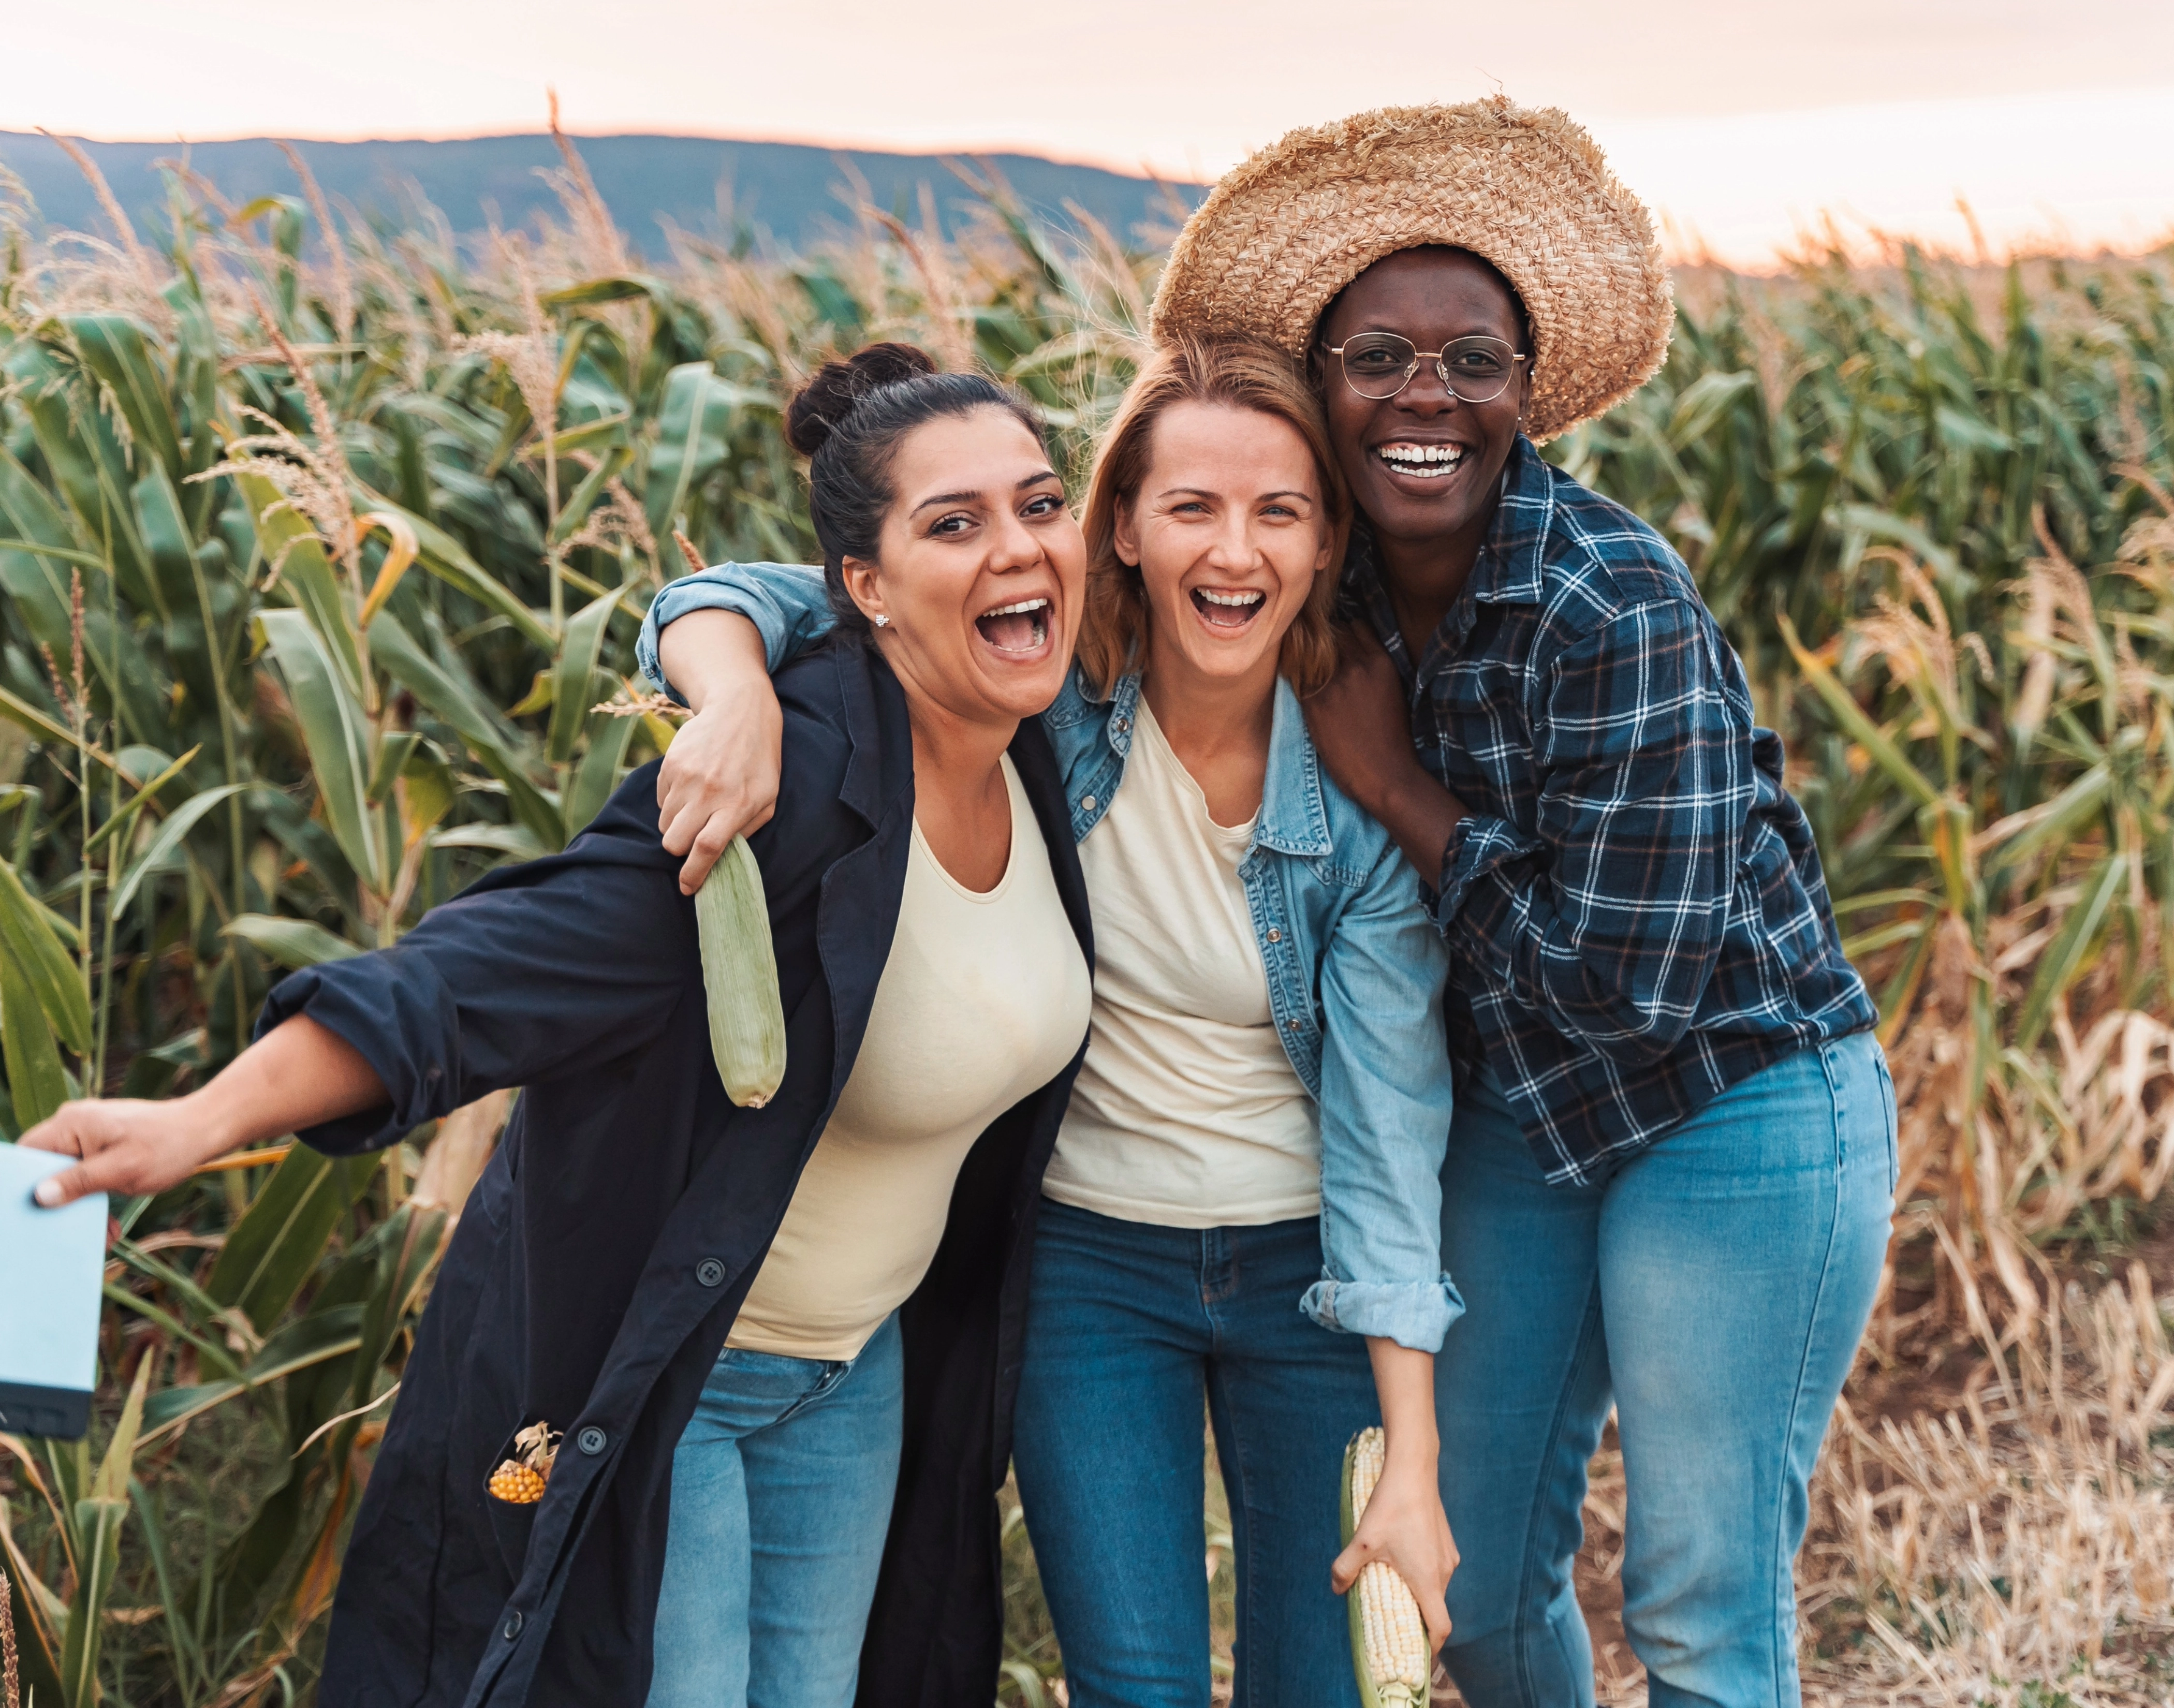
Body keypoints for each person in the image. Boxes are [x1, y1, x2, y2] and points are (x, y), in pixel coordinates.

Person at [653, 102, 1899, 1708]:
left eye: (1473, 361)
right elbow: (858, 585)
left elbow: (1611, 994)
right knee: (1493, 1605)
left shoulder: (1603, 600)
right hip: (1464, 1123)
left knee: (1696, 1597)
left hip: (1722, 1090)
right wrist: (728, 676)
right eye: (1379, 358)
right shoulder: (1202, 627)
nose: (1424, 399)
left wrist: (1400, 788)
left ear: (1528, 388)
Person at [24, 344, 1101, 1708]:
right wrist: (199, 1118)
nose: (1018, 547)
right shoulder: (783, 786)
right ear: (865, 588)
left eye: (1040, 503)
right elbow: (484, 972)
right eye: (955, 523)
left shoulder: (1048, 739)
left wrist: (723, 661)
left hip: (854, 1371)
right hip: (676, 1383)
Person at [640, 336, 1461, 1708]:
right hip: (1092, 1263)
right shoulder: (1042, 700)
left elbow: (1390, 1132)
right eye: (1191, 505)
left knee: (1318, 1686)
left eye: (1280, 511)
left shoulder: (1358, 798)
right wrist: (726, 694)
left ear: (1328, 542)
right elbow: (749, 596)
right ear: (1121, 526)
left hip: (1307, 1269)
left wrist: (1417, 1464)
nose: (1235, 549)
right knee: (1133, 1682)